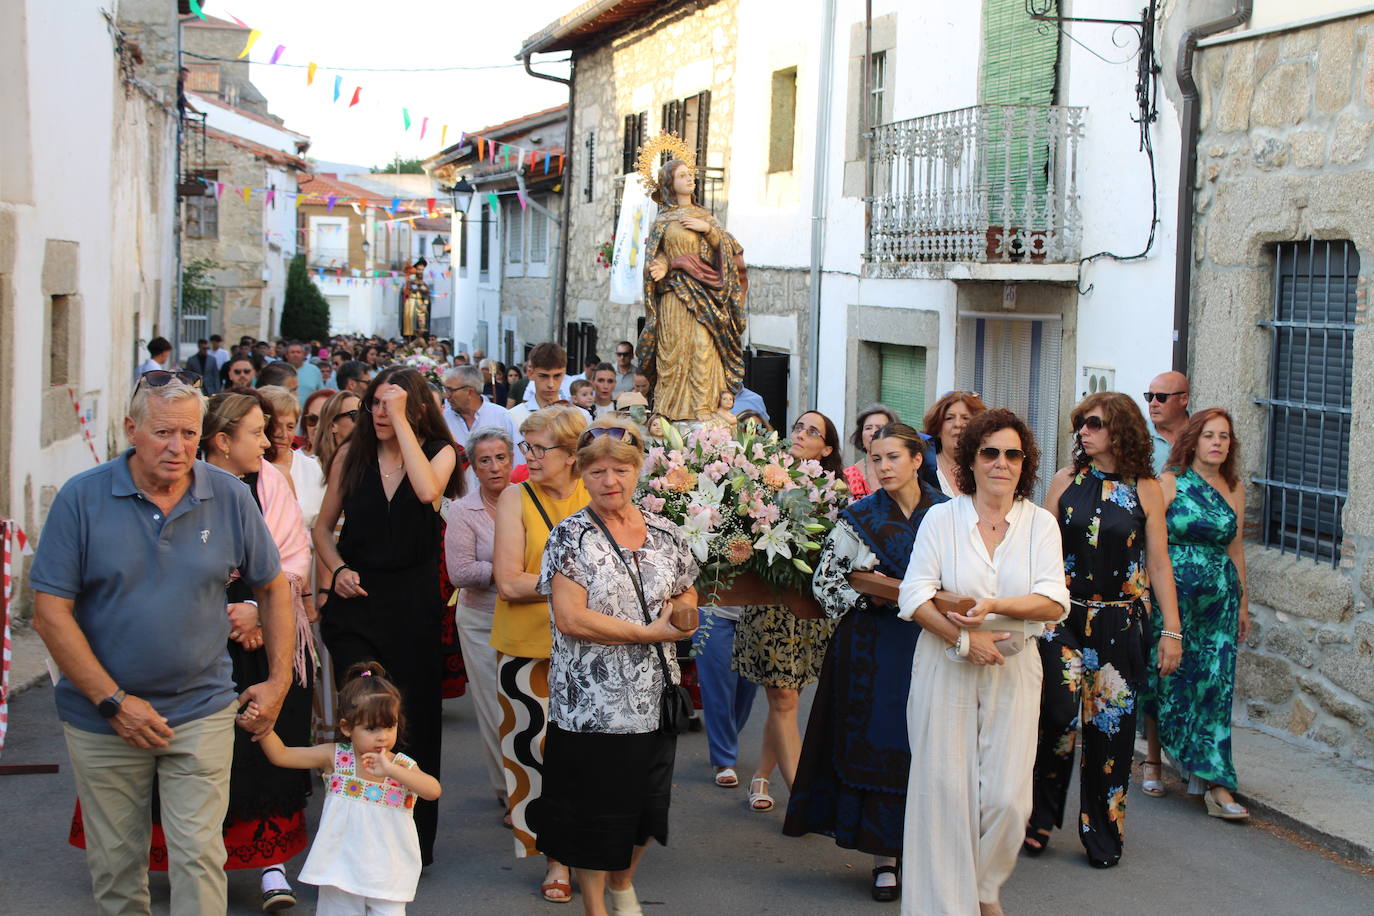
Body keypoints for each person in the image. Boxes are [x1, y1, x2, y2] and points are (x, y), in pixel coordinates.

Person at [30, 376, 293, 916]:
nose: (177, 447)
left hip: (201, 709)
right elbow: (50, 612)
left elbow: (272, 586)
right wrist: (113, 701)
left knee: (198, 856)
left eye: (189, 433)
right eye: (163, 432)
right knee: (118, 867)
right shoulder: (82, 498)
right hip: (102, 717)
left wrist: (278, 678)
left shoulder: (228, 495)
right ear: (131, 430)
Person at [897, 408, 1070, 915]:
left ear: (1025, 463)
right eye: (990, 452)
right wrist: (962, 639)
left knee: (1008, 803)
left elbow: (1053, 601)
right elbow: (915, 596)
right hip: (944, 667)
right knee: (945, 801)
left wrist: (995, 607)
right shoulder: (941, 518)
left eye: (1012, 454)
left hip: (1015, 669)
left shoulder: (1039, 524)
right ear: (969, 461)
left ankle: (981, 891)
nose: (1001, 463)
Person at [532, 417, 699, 916]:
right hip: (592, 707)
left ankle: (623, 882)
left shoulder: (666, 534)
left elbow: (686, 583)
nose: (611, 481)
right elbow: (570, 618)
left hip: (655, 699)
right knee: (594, 818)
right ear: (582, 474)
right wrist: (649, 633)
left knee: (647, 812)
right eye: (599, 471)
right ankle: (597, 907)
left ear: (638, 470)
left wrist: (684, 610)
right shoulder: (570, 537)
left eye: (621, 470)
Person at [784, 422, 947, 902]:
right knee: (881, 743)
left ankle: (931, 853)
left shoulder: (948, 514)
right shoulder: (856, 516)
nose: (884, 467)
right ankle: (884, 860)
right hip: (871, 648)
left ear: (918, 459)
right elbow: (826, 585)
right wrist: (869, 597)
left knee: (930, 746)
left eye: (894, 457)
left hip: (932, 642)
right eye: (876, 459)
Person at [1025, 392, 1183, 868]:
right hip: (1063, 617)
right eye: (1080, 425)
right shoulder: (1065, 481)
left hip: (1121, 622)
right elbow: (1040, 549)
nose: (1083, 432)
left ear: (1119, 430)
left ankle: (1103, 833)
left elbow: (1158, 562)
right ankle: (1038, 817)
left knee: (1110, 730)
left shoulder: (1146, 489)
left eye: (1092, 423)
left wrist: (1171, 631)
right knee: (1056, 716)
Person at [313, 367, 461, 865]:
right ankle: (353, 835)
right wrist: (337, 571)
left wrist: (402, 425)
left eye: (391, 402)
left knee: (413, 720)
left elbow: (426, 492)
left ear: (416, 408)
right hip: (357, 605)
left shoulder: (440, 454)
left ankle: (411, 842)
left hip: (414, 607)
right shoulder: (350, 459)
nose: (378, 411)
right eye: (374, 402)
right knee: (363, 715)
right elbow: (322, 530)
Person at [199, 389, 316, 909]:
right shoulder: (192, 484)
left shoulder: (274, 482)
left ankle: (272, 866)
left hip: (269, 631)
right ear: (222, 442)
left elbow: (294, 554)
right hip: (201, 636)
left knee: (269, 742)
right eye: (256, 432)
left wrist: (255, 611)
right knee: (209, 754)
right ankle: (200, 861)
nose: (269, 442)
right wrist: (228, 610)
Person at [491, 405, 590, 901]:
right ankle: (555, 857)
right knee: (533, 755)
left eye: (538, 448)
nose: (527, 456)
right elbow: (508, 580)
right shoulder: (515, 496)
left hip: (594, 647)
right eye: (525, 446)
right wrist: (578, 584)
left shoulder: (598, 490)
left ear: (572, 456)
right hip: (527, 649)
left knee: (587, 758)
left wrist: (560, 587)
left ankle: (589, 846)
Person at [258, 662, 442, 915]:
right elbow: (282, 755)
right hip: (340, 870)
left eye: (390, 726)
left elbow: (433, 790)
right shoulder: (335, 757)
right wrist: (262, 729)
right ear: (346, 727)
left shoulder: (400, 766)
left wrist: (391, 771)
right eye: (371, 728)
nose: (382, 736)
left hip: (388, 874)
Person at [732, 410, 845, 813]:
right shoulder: (761, 475)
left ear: (826, 448)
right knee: (782, 698)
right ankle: (802, 796)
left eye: (812, 431)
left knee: (788, 699)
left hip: (809, 611)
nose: (801, 434)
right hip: (768, 607)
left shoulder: (834, 492)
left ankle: (761, 776)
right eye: (798, 426)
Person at [1143, 408, 1251, 819]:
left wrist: (1243, 602)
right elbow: (1152, 544)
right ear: (1194, 441)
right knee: (1166, 678)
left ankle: (1217, 781)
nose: (1218, 443)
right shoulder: (1168, 483)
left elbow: (1236, 548)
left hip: (1219, 604)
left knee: (1216, 687)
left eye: (1224, 436)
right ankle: (1153, 759)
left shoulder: (1234, 488)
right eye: (1210, 435)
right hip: (1175, 598)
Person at [638, 155, 747, 422]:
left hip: (705, 296)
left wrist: (708, 230)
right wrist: (662, 266)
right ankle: (668, 411)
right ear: (669, 183)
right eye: (683, 175)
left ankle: (703, 408)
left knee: (702, 348)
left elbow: (728, 252)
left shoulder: (705, 217)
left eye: (691, 174)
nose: (690, 179)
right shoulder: (663, 221)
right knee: (673, 350)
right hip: (675, 296)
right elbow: (657, 254)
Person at [444, 427, 516, 814]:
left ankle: (535, 784)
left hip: (529, 617)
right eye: (484, 460)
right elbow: (460, 572)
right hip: (481, 620)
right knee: (494, 708)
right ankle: (509, 792)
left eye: (500, 457)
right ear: (472, 466)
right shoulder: (463, 510)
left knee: (530, 704)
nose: (494, 467)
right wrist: (508, 571)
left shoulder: (526, 500)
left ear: (512, 460)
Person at [442, 365, 523, 471]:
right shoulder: (443, 420)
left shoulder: (503, 417)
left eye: (451, 390)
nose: (446, 396)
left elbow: (518, 462)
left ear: (470, 391)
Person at [923, 390, 989, 497]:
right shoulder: (923, 468)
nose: (958, 424)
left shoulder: (987, 469)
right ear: (938, 428)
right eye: (950, 418)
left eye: (965, 418)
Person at [843, 403, 899, 499]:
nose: (873, 433)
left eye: (879, 428)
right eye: (868, 428)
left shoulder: (901, 470)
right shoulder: (848, 476)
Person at [510, 342, 571, 429]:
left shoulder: (580, 416)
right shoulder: (513, 417)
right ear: (531, 374)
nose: (551, 384)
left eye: (557, 376)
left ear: (564, 374)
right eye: (543, 376)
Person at [1146, 370, 1191, 474]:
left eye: (1161, 397)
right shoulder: (1136, 434)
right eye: (1149, 397)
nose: (1153, 404)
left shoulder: (1203, 433)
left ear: (1183, 399)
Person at [314, 390, 361, 481]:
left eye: (365, 415)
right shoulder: (313, 468)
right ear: (332, 426)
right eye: (356, 415)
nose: (363, 422)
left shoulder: (373, 465)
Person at [286, 341, 325, 406]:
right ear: (287, 355)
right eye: (292, 352)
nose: (295, 355)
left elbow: (321, 393)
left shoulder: (314, 370)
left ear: (304, 355)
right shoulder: (280, 370)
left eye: (298, 352)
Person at [301, 388, 337, 456]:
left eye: (325, 419)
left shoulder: (350, 461)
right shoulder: (292, 460)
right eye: (312, 419)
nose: (318, 426)